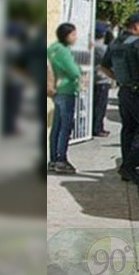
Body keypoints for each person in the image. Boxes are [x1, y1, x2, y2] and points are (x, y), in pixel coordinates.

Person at [100, 14, 139, 184]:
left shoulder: (115, 43)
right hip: (138, 93)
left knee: (128, 129)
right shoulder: (138, 44)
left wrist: (119, 80)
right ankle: (129, 166)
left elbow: (103, 67)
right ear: (137, 26)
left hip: (125, 92)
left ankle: (128, 167)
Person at [47, 23, 82, 175]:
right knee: (65, 126)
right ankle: (61, 159)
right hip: (66, 90)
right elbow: (74, 72)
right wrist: (80, 73)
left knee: (56, 126)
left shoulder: (52, 49)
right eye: (73, 34)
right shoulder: (63, 51)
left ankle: (53, 159)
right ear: (66, 35)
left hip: (55, 90)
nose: (76, 38)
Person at [92, 23, 111, 138]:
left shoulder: (90, 46)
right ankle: (98, 128)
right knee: (100, 106)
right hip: (102, 80)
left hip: (92, 79)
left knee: (93, 105)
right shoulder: (102, 48)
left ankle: (93, 127)